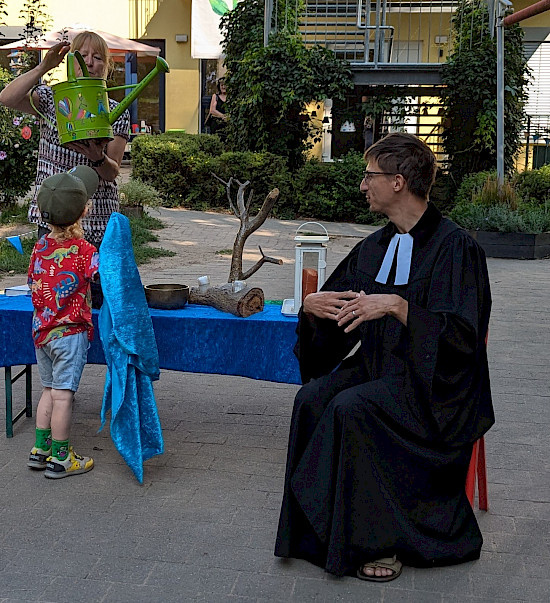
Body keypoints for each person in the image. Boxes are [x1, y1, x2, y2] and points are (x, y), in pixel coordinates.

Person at [274, 132, 494, 581]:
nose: (362, 184)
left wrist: (400, 307)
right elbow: (342, 320)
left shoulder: (456, 248)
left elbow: (465, 337)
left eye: (369, 175)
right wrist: (315, 310)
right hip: (379, 369)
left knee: (354, 408)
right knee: (314, 398)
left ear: (398, 182)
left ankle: (384, 542)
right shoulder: (374, 246)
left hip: (437, 389)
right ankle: (318, 531)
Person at [0, 31, 130, 306]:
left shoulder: (116, 110)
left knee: (96, 300)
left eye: (97, 57)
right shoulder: (53, 99)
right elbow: (7, 98)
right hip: (54, 219)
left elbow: (112, 172)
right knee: (52, 296)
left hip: (96, 221)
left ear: (107, 66)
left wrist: (97, 157)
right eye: (82, 56)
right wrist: (44, 67)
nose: (90, 62)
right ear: (71, 62)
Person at [26, 165, 99, 479]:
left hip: (41, 332)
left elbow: (31, 280)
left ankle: (40, 450)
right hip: (69, 334)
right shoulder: (85, 251)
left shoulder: (41, 247)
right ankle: (60, 458)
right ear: (85, 210)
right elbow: (106, 280)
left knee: (48, 390)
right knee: (64, 395)